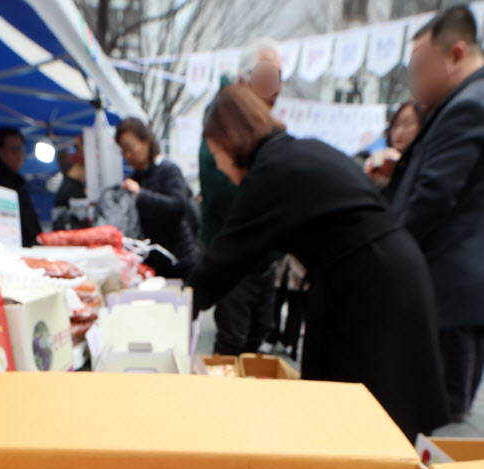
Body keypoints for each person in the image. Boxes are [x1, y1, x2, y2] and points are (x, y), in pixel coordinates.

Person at [190, 85, 449, 441]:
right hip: (387, 272)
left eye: (216, 153)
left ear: (231, 140)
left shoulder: (269, 172)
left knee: (369, 420)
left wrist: (177, 305)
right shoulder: (298, 152)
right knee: (351, 413)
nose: (217, 166)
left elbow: (224, 260)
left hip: (372, 288)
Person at [387, 5, 484, 422]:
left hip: (450, 298)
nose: (415, 81)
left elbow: (435, 194)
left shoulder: (469, 105)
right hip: (452, 296)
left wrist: (385, 252)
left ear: (456, 54)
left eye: (421, 67)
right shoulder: (462, 101)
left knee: (438, 422)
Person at [198, 38, 284, 355]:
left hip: (265, 256)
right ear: (242, 78)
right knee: (233, 337)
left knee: (258, 332)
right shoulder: (225, 116)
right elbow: (219, 188)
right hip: (235, 250)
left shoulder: (270, 128)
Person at [116, 117, 197, 279]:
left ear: (146, 141)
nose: (127, 155)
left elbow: (178, 206)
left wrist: (141, 195)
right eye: (123, 151)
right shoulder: (135, 179)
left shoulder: (168, 169)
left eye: (129, 148)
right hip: (154, 265)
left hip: (180, 261)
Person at [0, 127, 42, 247]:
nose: (18, 154)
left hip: (31, 250)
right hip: (14, 252)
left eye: (20, 148)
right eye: (13, 149)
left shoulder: (19, 182)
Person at [364, 101, 423, 187]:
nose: (399, 132)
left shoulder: (425, 165)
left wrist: (400, 168)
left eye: (408, 124)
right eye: (395, 125)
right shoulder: (379, 157)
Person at [54, 151, 89, 229]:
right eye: (84, 169)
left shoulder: (67, 185)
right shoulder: (73, 189)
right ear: (78, 167)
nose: (85, 175)